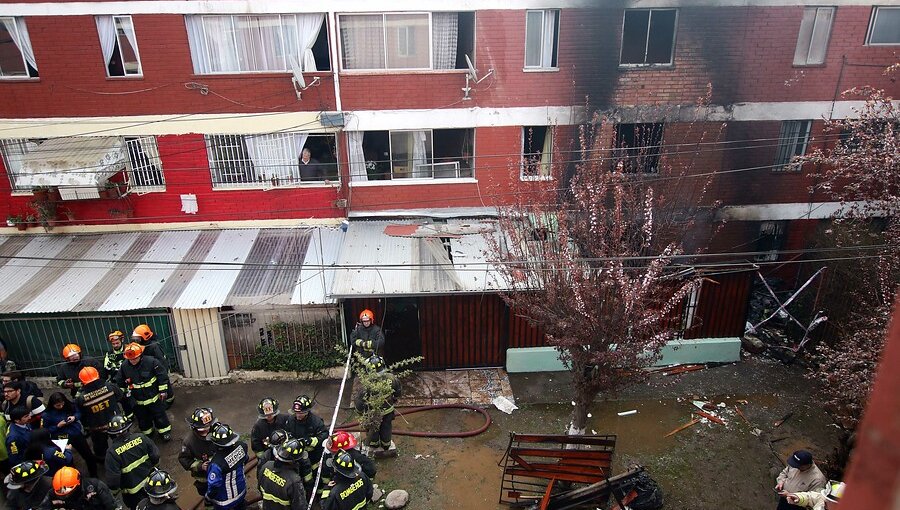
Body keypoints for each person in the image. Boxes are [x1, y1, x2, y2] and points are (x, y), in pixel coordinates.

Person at [116, 343, 171, 441]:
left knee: (160, 417)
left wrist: (163, 391)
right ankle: (148, 434)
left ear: (140, 355)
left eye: (135, 358)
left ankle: (165, 432)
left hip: (155, 398)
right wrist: (125, 396)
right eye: (130, 359)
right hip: (138, 402)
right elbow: (120, 381)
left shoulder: (152, 362)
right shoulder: (124, 366)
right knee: (143, 420)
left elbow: (162, 376)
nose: (132, 361)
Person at [104, 413, 160, 509]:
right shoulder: (141, 438)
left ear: (111, 434)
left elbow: (113, 480)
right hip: (153, 484)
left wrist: (113, 493)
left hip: (133, 495)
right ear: (128, 427)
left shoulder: (112, 453)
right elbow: (155, 456)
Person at [354, 355, 401, 455]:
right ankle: (386, 444)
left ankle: (374, 444)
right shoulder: (391, 378)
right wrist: (395, 398)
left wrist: (360, 413)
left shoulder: (367, 385)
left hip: (373, 413)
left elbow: (359, 401)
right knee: (386, 426)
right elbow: (398, 389)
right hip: (388, 410)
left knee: (373, 428)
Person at [75, 366, 123, 461]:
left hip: (97, 427)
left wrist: (86, 426)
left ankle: (104, 462)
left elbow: (82, 415)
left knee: (100, 448)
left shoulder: (81, 398)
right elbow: (120, 396)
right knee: (121, 442)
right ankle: (123, 458)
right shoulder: (109, 386)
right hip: (115, 422)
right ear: (98, 376)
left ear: (82, 382)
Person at [44, 392, 97, 477]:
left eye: (62, 404)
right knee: (67, 461)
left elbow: (79, 412)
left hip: (76, 434)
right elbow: (45, 430)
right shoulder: (47, 415)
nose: (61, 407)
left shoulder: (69, 406)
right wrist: (57, 426)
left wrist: (74, 417)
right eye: (58, 405)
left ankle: (94, 475)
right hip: (61, 439)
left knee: (89, 456)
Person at [206, 422, 249, 510]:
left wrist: (208, 497)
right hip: (241, 491)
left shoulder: (217, 463)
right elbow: (246, 459)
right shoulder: (242, 446)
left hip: (225, 501)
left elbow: (214, 485)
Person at [39, 466, 121, 510]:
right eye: (61, 493)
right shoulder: (52, 494)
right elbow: (43, 507)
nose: (65, 496)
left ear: (78, 484)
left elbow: (111, 505)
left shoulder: (96, 486)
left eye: (68, 493)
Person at [258, 437, 308, 510]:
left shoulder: (266, 465)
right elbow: (300, 506)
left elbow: (259, 487)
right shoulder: (294, 480)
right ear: (294, 460)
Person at [131, 325, 173, 407]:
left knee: (164, 385)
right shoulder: (141, 346)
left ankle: (169, 400)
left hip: (159, 369)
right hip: (151, 370)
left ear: (144, 337)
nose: (135, 341)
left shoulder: (153, 346)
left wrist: (161, 372)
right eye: (134, 339)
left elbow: (161, 360)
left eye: (137, 339)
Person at [179, 407, 217, 497]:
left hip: (220, 473)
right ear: (194, 427)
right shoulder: (189, 442)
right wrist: (200, 466)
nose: (207, 431)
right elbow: (183, 459)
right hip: (204, 479)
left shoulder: (217, 431)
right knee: (208, 496)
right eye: (203, 429)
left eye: (208, 427)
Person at [284, 395, 328, 472]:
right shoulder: (291, 420)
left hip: (313, 456)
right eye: (296, 413)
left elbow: (324, 435)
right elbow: (287, 432)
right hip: (295, 454)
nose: (298, 416)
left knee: (312, 473)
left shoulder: (316, 422)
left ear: (307, 411)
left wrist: (311, 441)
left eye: (300, 413)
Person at [104, 331, 135, 420]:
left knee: (133, 397)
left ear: (122, 340)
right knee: (123, 398)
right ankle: (129, 416)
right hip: (117, 379)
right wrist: (115, 369)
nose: (115, 345)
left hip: (130, 377)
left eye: (117, 343)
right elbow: (106, 366)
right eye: (113, 344)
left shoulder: (128, 349)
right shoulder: (109, 353)